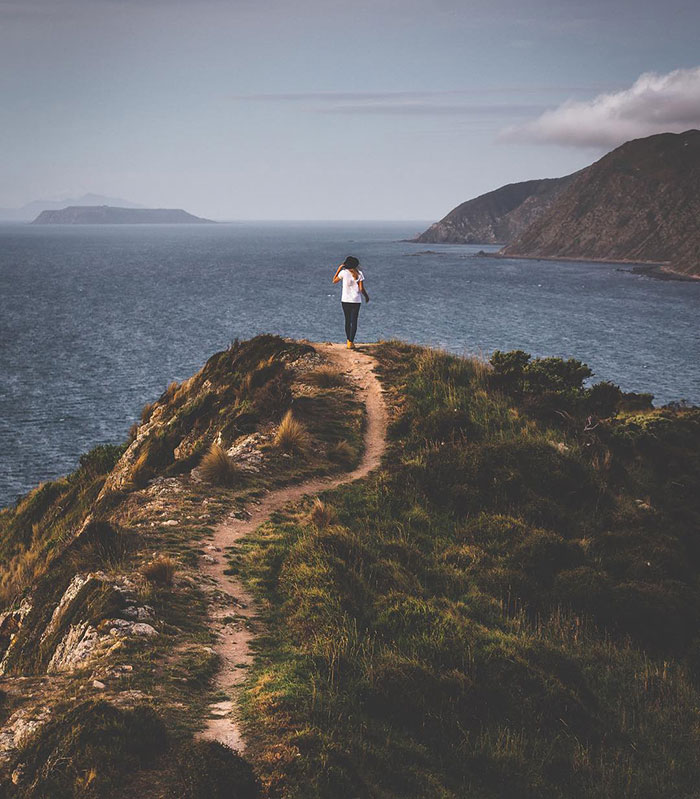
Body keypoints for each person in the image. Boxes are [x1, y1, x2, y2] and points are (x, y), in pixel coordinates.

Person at [332, 256, 369, 349]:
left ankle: (348, 341)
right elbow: (361, 289)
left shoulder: (343, 273)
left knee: (347, 321)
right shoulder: (359, 273)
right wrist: (366, 296)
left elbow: (334, 281)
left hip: (345, 300)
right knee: (354, 321)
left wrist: (339, 269)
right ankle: (351, 342)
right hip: (356, 300)